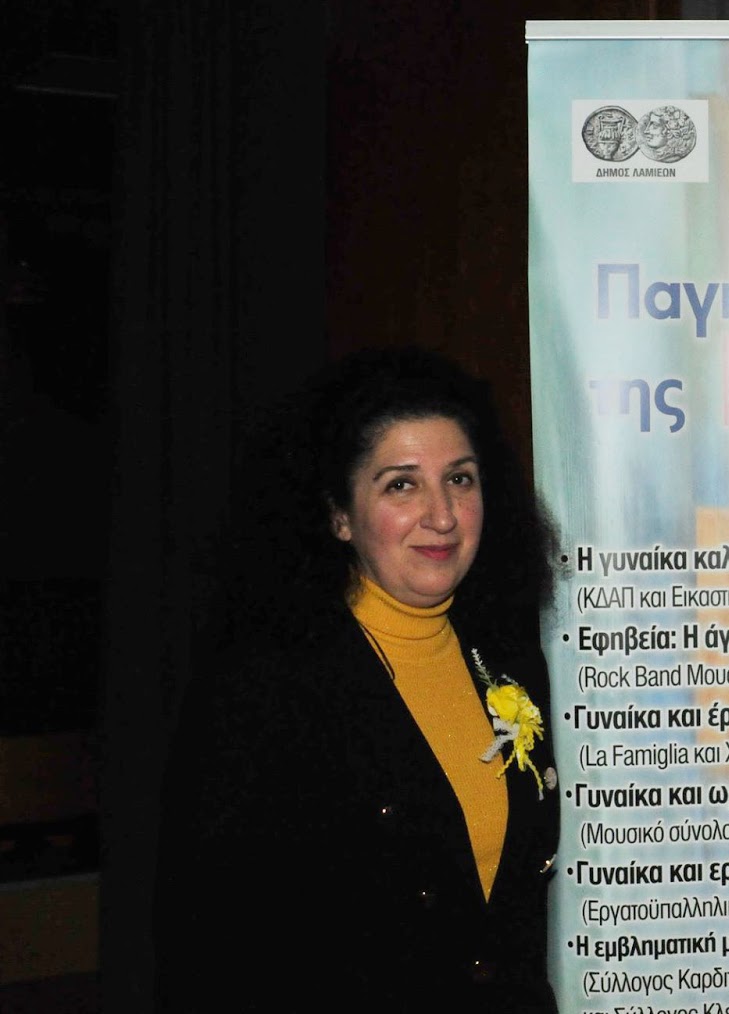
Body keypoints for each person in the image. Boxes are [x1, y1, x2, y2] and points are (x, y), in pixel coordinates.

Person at [156, 347, 562, 1011]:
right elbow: (211, 944)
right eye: (401, 485)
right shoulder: (268, 686)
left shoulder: (510, 660)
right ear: (339, 515)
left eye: (460, 479)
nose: (442, 515)